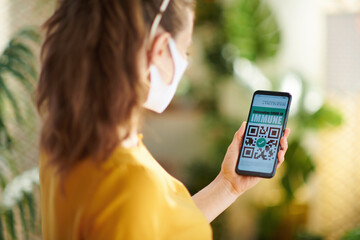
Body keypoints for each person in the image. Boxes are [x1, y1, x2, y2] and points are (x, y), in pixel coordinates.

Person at [36, 0, 290, 239]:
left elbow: (161, 229)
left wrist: (227, 186)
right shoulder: (131, 184)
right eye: (186, 49)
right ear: (160, 49)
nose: (186, 63)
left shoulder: (66, 142)